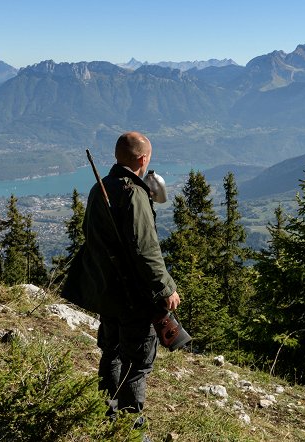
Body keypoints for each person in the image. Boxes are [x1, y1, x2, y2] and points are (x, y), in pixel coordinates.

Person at [62, 131, 180, 424]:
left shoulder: (99, 187)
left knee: (111, 353)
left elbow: (90, 237)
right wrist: (166, 287)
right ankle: (131, 429)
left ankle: (105, 417)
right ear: (142, 159)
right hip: (132, 295)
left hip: (107, 291)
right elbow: (146, 248)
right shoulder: (134, 193)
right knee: (137, 362)